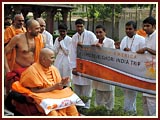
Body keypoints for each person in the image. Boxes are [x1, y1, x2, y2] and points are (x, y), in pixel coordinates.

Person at [17, 48, 79, 116]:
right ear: (43, 59)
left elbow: (57, 87)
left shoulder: (53, 69)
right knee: (53, 114)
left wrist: (62, 83)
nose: (54, 60)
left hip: (55, 94)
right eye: (52, 58)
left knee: (72, 107)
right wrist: (53, 88)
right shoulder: (32, 71)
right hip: (42, 97)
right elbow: (34, 91)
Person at [70, 18, 98, 109]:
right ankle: (77, 107)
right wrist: (73, 67)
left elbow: (95, 49)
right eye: (77, 26)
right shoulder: (74, 37)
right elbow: (72, 52)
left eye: (81, 26)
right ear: (75, 26)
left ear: (84, 26)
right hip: (77, 65)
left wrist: (85, 47)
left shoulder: (90, 35)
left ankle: (86, 108)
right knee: (77, 88)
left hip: (88, 65)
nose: (79, 28)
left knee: (87, 88)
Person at [120, 21, 145, 114]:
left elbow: (144, 55)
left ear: (135, 29)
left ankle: (131, 112)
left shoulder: (141, 40)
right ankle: (127, 110)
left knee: (131, 92)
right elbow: (120, 53)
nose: (128, 31)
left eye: (130, 29)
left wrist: (131, 52)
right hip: (125, 69)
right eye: (126, 29)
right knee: (126, 91)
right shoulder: (124, 39)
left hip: (136, 69)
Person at [136, 16, 156, 116]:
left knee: (152, 99)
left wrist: (146, 49)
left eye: (147, 26)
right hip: (146, 69)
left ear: (154, 26)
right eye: (144, 26)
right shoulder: (146, 37)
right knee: (144, 99)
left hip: (155, 70)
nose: (145, 28)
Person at [92, 25, 115, 110]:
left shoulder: (110, 42)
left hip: (107, 71)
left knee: (108, 94)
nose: (98, 34)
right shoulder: (94, 42)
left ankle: (109, 111)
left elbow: (112, 56)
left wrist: (101, 49)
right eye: (97, 32)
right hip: (97, 72)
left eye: (100, 32)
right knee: (98, 93)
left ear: (105, 32)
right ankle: (98, 111)